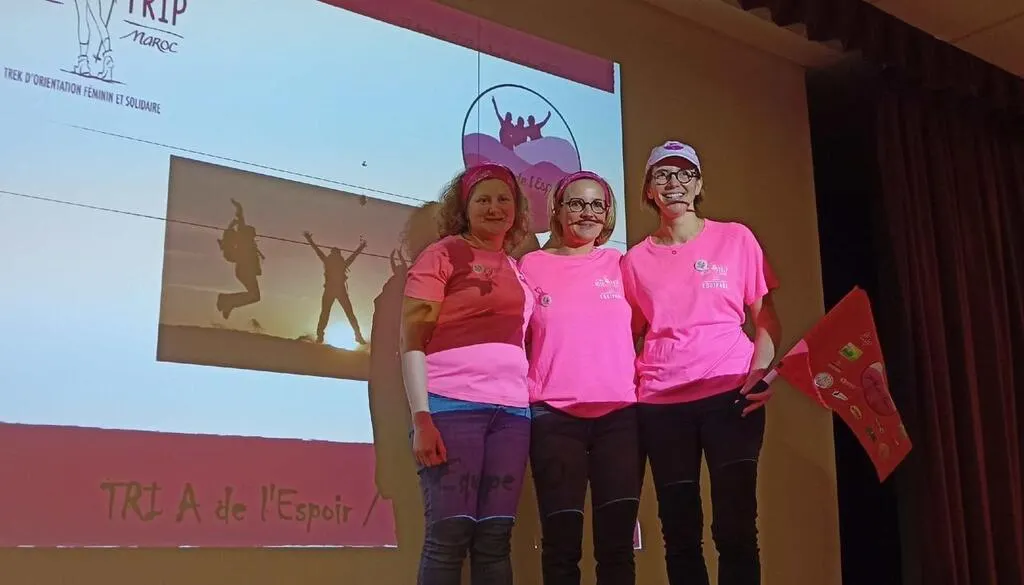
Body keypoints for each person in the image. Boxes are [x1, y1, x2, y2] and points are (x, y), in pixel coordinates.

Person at [621, 141, 782, 585]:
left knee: (736, 529)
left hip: (732, 397)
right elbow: (629, 334)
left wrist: (760, 373)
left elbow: (766, 319)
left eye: (684, 173)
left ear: (698, 185)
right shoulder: (633, 261)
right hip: (661, 406)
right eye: (662, 175)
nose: (673, 183)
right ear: (649, 190)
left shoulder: (736, 239)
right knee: (680, 535)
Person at [400, 162, 534, 585]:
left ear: (516, 209)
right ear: (464, 207)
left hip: (512, 415)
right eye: (483, 199)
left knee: (495, 538)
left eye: (503, 199)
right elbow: (412, 341)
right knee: (449, 535)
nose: (494, 208)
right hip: (452, 408)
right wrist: (422, 417)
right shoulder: (442, 255)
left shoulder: (517, 267)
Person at [518, 171, 640, 585]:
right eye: (576, 203)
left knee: (617, 549)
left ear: (608, 214)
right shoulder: (530, 266)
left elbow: (644, 325)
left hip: (621, 420)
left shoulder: (621, 265)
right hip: (554, 419)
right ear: (557, 209)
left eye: (596, 205)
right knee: (560, 547)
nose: (587, 212)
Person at [302, 231, 368, 345]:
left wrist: (309, 240)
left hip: (333, 290)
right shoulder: (338, 263)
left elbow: (317, 251)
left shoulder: (330, 262)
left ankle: (321, 336)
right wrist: (361, 247)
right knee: (344, 313)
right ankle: (356, 335)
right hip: (336, 290)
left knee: (328, 313)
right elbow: (353, 256)